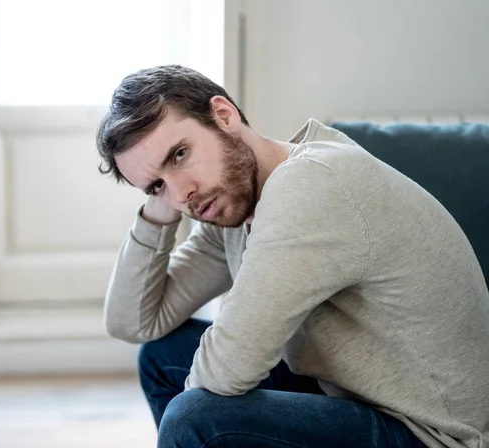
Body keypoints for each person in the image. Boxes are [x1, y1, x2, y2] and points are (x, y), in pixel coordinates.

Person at [95, 65, 489, 448]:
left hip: (430, 434)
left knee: (192, 419)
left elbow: (227, 372)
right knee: (163, 358)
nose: (182, 194)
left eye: (180, 154)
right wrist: (158, 202)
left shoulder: (310, 183)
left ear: (223, 115)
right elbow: (133, 322)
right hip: (349, 396)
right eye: (157, 185)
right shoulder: (234, 205)